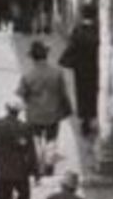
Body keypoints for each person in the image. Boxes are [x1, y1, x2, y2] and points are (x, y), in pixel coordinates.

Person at [17, 40, 73, 178]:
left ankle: (37, 165)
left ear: (33, 58)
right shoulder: (57, 73)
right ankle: (48, 165)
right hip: (53, 113)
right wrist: (67, 109)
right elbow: (63, 94)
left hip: (34, 114)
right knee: (51, 140)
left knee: (35, 139)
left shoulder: (28, 75)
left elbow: (22, 94)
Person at [59, 4, 100, 137]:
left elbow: (72, 47)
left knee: (82, 94)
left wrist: (65, 60)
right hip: (95, 68)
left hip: (81, 69)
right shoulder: (98, 30)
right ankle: (93, 117)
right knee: (94, 93)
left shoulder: (78, 30)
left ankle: (85, 121)